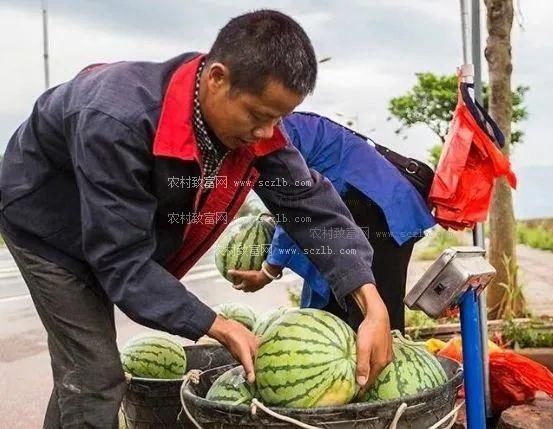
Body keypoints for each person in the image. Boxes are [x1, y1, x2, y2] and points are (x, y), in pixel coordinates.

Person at [0, 11, 393, 428]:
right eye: (259, 116)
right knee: (95, 373)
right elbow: (121, 260)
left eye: (278, 119)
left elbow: (309, 205)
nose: (266, 133)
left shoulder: (255, 126)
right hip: (45, 227)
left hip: (107, 227)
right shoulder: (116, 119)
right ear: (217, 78)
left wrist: (371, 304)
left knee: (80, 371)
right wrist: (218, 325)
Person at [230, 112, 436, 333]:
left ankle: (382, 365)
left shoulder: (267, 134)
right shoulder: (276, 125)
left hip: (375, 206)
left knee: (371, 318)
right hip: (366, 201)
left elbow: (296, 207)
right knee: (332, 312)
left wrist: (269, 271)